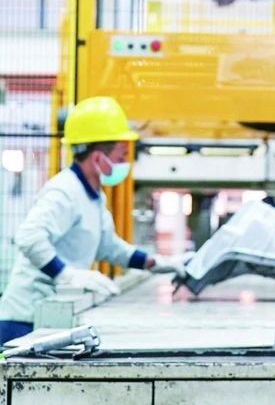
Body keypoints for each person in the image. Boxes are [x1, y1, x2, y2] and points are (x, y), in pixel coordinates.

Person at [0, 96, 189, 344]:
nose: (126, 163)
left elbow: (107, 246)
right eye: (121, 156)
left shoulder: (94, 196)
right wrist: (66, 275)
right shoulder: (64, 191)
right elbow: (29, 237)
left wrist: (153, 262)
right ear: (98, 158)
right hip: (24, 319)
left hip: (53, 312)